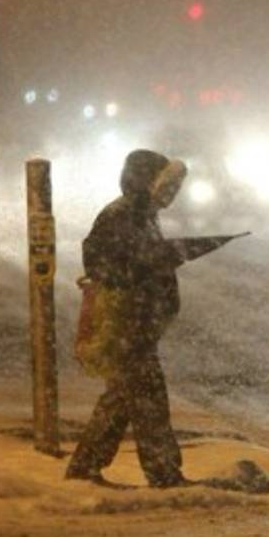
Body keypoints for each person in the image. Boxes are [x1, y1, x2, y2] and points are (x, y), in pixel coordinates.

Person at [66, 149, 190, 488]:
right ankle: (163, 472)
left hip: (138, 322)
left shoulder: (142, 213)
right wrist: (153, 262)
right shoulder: (123, 215)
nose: (171, 193)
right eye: (166, 184)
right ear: (146, 181)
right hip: (127, 321)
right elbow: (101, 262)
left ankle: (85, 467)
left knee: (122, 398)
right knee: (148, 397)